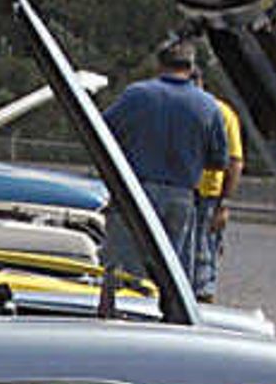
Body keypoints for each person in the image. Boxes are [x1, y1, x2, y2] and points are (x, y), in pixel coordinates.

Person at [101, 35, 229, 297]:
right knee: (172, 274)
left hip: (136, 193)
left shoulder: (136, 95)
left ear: (159, 64)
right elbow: (219, 160)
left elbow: (102, 131)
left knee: (127, 271)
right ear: (191, 67)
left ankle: (122, 317)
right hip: (181, 196)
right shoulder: (207, 105)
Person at [192, 95, 245, 302]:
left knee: (203, 252)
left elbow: (235, 162)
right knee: (201, 252)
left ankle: (202, 297)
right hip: (195, 191)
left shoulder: (222, 112)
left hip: (207, 194)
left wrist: (224, 204)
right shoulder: (222, 111)